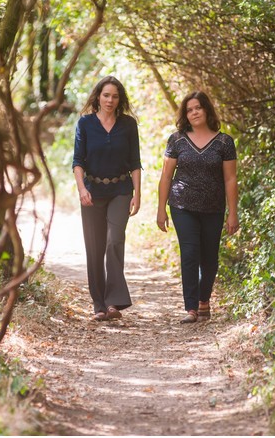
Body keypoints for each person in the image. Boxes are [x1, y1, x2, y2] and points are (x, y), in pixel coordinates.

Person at [157, 91, 239, 323]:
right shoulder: (177, 140)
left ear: (206, 110)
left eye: (198, 108)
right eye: (189, 109)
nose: (194, 112)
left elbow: (230, 179)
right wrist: (161, 209)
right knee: (190, 252)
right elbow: (166, 176)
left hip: (213, 207)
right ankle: (191, 307)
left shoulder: (224, 142)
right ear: (185, 114)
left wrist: (233, 213)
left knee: (210, 257)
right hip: (182, 205)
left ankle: (205, 300)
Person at [72, 76, 142, 321]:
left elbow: (135, 163)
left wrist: (137, 194)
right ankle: (99, 305)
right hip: (92, 192)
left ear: (119, 99)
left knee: (114, 241)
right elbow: (78, 161)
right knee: (95, 248)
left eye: (115, 96)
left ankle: (114, 302)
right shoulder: (85, 124)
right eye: (106, 95)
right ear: (98, 97)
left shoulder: (128, 125)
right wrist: (82, 189)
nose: (110, 100)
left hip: (121, 191)